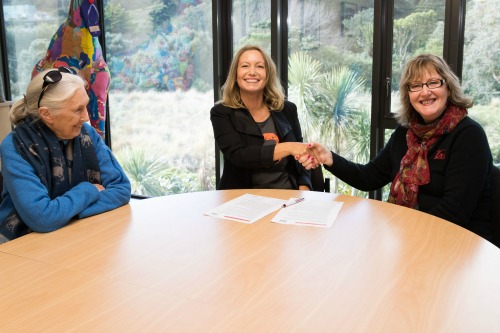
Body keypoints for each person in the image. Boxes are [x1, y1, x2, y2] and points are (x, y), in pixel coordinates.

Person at [299, 54, 493, 240]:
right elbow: (369, 177)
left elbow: (455, 210)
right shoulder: (406, 132)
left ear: (448, 87)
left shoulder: (469, 135)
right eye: (416, 86)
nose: (425, 92)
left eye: (433, 82)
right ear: (408, 94)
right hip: (411, 232)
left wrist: (402, 231)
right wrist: (330, 159)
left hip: (458, 239)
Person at [0, 67, 131, 244]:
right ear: (47, 114)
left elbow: (121, 188)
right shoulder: (15, 147)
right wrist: (89, 190)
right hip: (21, 244)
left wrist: (63, 213)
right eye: (78, 110)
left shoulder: (87, 134)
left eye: (86, 106)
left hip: (75, 235)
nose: (86, 117)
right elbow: (41, 218)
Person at [210, 45, 312, 190]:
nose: (252, 72)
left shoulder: (287, 109)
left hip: (289, 197)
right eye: (245, 66)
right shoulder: (221, 113)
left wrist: (304, 187)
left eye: (259, 66)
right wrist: (289, 147)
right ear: (235, 73)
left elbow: (301, 155)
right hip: (242, 200)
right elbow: (239, 156)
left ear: (268, 74)